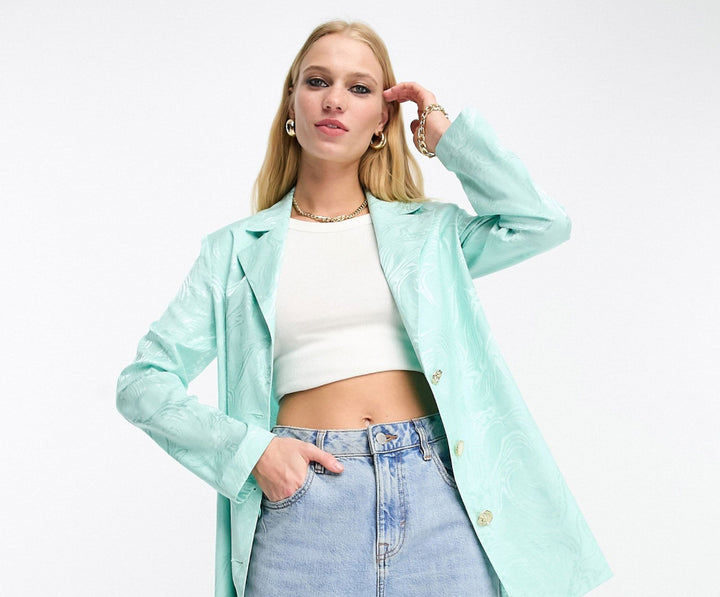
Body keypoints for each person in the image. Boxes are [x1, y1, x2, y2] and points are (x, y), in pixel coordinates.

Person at [117, 19, 611, 597]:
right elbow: (143, 382)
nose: (335, 100)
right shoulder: (235, 252)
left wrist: (446, 136)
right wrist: (253, 454)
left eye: (359, 88)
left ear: (382, 118)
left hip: (438, 497)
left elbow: (541, 223)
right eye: (317, 81)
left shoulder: (429, 235)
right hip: (306, 507)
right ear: (292, 104)